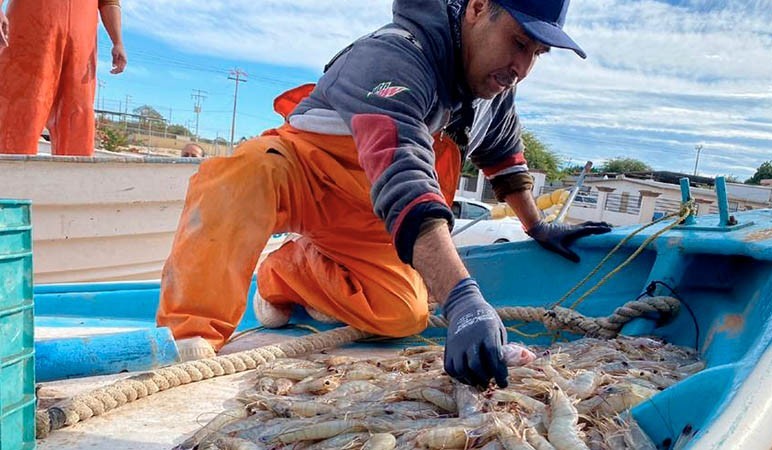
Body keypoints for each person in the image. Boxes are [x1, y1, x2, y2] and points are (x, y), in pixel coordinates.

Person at [156, 0, 611, 388]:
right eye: (518, 42)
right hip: (304, 175)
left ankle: (286, 272)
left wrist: (537, 225)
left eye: (537, 53)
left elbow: (505, 159)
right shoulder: (395, 56)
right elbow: (404, 176)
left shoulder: (494, 91)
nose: (522, 68)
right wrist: (462, 301)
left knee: (403, 314)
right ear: (477, 8)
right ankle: (186, 338)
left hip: (371, 218)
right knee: (244, 175)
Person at [0, 0, 127, 156]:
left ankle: (74, 176)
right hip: (30, 32)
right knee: (22, 105)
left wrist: (118, 41)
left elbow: (109, 2)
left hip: (81, 43)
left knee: (78, 113)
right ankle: (9, 171)